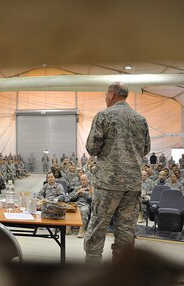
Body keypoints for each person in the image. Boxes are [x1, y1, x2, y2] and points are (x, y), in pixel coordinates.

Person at [84, 82, 150, 264]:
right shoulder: (140, 119)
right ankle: (122, 274)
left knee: (98, 226)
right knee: (126, 229)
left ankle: (92, 269)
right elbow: (146, 149)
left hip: (108, 183)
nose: (105, 98)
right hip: (133, 184)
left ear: (112, 95)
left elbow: (92, 148)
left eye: (105, 95)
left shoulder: (103, 116)